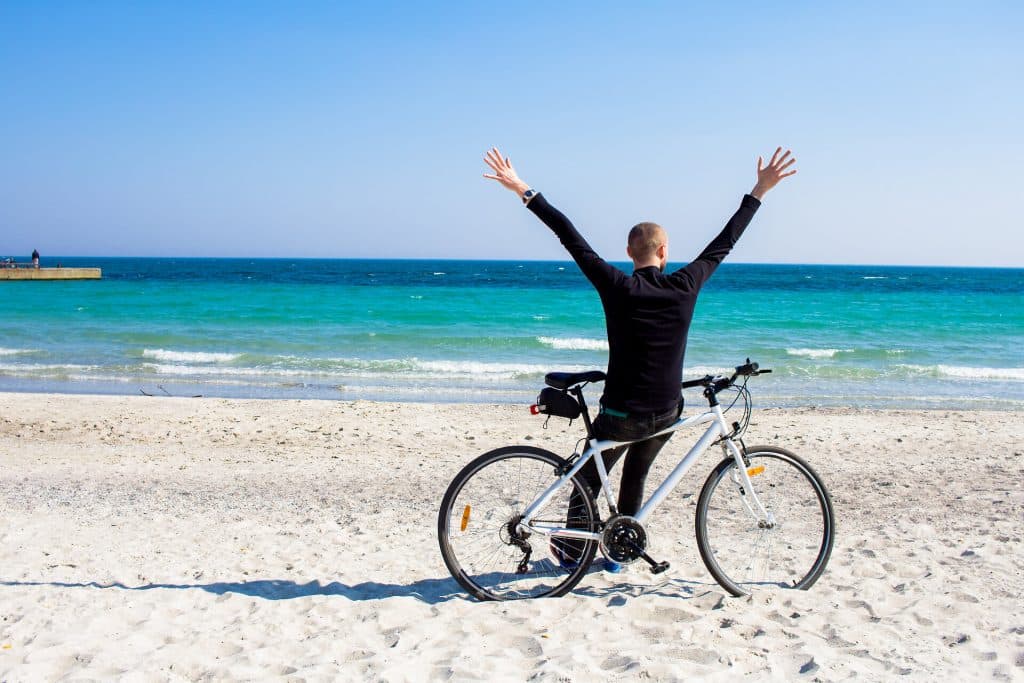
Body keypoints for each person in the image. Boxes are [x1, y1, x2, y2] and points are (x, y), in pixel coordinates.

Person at [483, 146, 796, 570]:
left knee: (589, 481)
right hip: (666, 413)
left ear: (630, 253)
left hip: (620, 413)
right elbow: (724, 243)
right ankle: (618, 555)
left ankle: (576, 553)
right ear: (664, 251)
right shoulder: (686, 284)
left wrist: (521, 188)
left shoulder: (616, 285)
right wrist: (759, 190)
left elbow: (569, 236)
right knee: (636, 474)